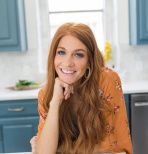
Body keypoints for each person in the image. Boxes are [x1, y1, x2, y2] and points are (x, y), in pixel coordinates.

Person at [30, 23, 133, 154]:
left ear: (90, 61)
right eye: (61, 52)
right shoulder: (47, 94)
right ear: (53, 56)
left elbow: (111, 149)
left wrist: (60, 148)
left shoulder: (106, 81)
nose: (67, 63)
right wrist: (55, 103)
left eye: (78, 55)